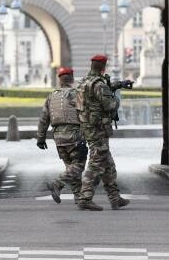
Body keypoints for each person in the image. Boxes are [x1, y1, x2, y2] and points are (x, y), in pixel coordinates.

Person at [75, 54, 130, 211]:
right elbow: (110, 105)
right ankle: (85, 197)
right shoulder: (99, 84)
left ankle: (114, 198)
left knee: (108, 165)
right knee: (96, 164)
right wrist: (117, 99)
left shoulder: (83, 82)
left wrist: (118, 84)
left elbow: (95, 94)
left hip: (88, 127)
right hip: (98, 129)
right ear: (103, 67)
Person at [36, 67, 87, 204]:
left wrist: (40, 138)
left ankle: (79, 197)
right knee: (78, 166)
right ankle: (57, 183)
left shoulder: (51, 96)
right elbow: (86, 114)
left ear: (59, 80)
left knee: (70, 167)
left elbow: (43, 119)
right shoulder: (76, 94)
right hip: (74, 135)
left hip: (58, 138)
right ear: (71, 78)